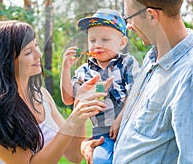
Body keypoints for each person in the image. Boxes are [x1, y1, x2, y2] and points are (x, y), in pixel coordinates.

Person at [81, 0, 193, 164]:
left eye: (129, 18)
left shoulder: (192, 77)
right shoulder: (152, 59)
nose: (128, 26)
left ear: (152, 16)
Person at [0, 20, 110, 164]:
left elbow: (74, 155)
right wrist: (72, 120)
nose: (38, 55)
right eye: (28, 52)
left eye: (36, 46)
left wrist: (79, 104)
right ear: (6, 60)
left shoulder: (42, 96)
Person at [60, 9, 141, 164]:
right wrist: (65, 69)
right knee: (101, 160)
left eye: (105, 40)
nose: (97, 45)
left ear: (122, 43)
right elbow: (69, 99)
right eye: (92, 40)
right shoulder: (84, 71)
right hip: (102, 134)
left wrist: (120, 119)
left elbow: (136, 93)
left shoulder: (127, 64)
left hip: (130, 128)